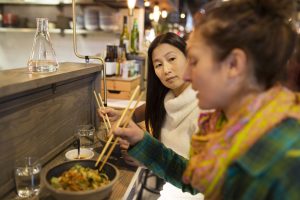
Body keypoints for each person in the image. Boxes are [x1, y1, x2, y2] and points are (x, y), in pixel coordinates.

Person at [112, 0, 300, 199]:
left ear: (234, 64)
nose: (186, 75)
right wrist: (141, 140)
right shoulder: (226, 124)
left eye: (194, 61)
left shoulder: (287, 158)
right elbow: (196, 178)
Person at [100, 32, 204, 199]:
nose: (167, 70)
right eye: (158, 65)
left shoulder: (205, 109)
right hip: (166, 185)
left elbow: (198, 181)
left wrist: (145, 152)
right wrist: (121, 118)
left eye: (171, 59)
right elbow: (138, 113)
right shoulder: (167, 98)